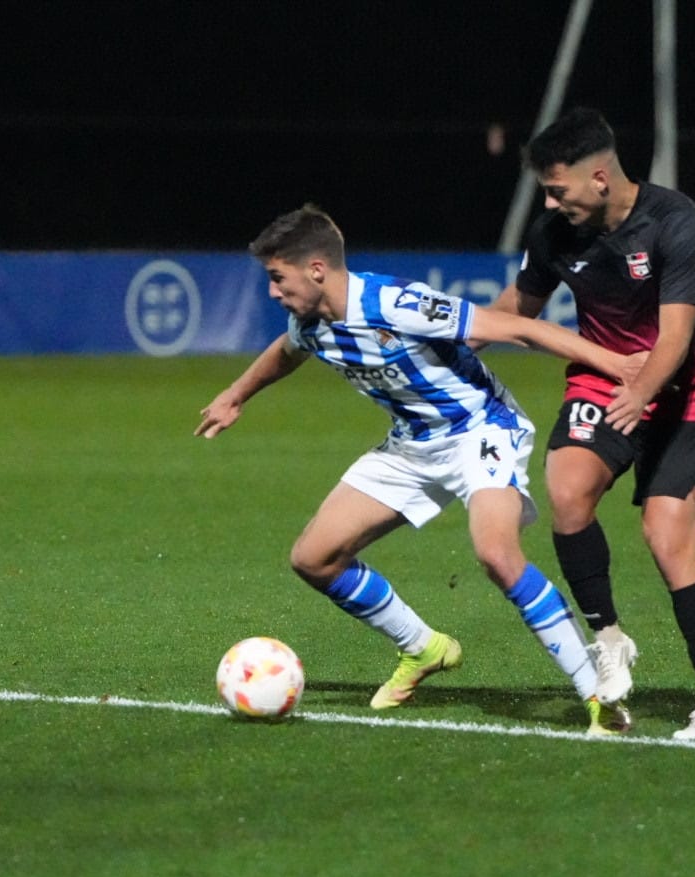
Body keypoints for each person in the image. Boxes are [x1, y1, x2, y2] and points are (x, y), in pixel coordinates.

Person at [197, 205, 641, 735]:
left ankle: (597, 694)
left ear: (316, 269)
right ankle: (423, 648)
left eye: (277, 278)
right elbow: (287, 351)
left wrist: (618, 367)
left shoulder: (395, 303)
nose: (272, 292)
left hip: (480, 431)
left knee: (496, 553)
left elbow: (517, 328)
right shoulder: (310, 322)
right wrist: (236, 394)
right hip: (411, 447)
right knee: (314, 559)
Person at [498, 107, 695, 740]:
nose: (551, 202)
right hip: (603, 383)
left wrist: (640, 394)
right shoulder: (554, 233)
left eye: (559, 189)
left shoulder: (674, 221)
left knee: (668, 541)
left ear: (601, 178)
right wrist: (450, 330)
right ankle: (608, 636)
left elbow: (677, 334)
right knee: (566, 488)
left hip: (681, 390)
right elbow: (516, 312)